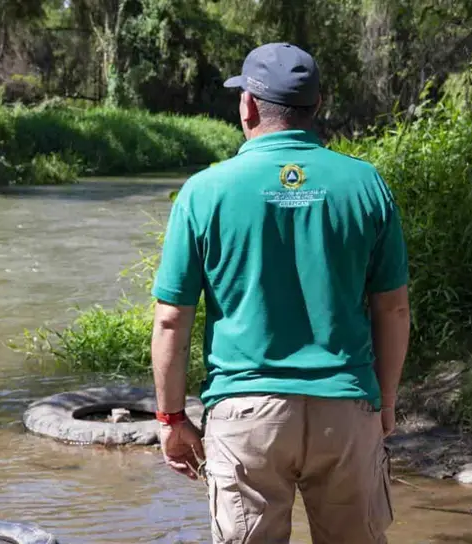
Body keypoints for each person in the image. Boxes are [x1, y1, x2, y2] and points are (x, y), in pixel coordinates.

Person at [149, 42, 411, 544]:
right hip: (346, 409)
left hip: (245, 415)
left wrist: (172, 417)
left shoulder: (204, 191)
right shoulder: (366, 184)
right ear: (317, 105)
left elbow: (170, 319)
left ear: (248, 105)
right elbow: (393, 309)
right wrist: (385, 401)